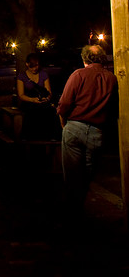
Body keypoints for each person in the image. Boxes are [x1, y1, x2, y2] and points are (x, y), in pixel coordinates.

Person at [56, 44, 118, 218]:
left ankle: (73, 213)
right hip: (97, 132)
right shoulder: (111, 78)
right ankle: (79, 208)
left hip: (75, 127)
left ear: (84, 59)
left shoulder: (78, 75)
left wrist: (62, 118)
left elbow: (65, 102)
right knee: (87, 175)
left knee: (72, 175)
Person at [17, 53, 58, 140]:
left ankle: (48, 137)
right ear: (27, 64)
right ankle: (31, 138)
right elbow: (21, 95)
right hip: (28, 102)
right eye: (32, 67)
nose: (35, 69)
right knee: (33, 112)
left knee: (49, 111)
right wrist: (32, 100)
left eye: (37, 66)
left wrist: (46, 98)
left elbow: (49, 91)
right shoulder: (22, 76)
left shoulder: (43, 74)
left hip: (42, 101)